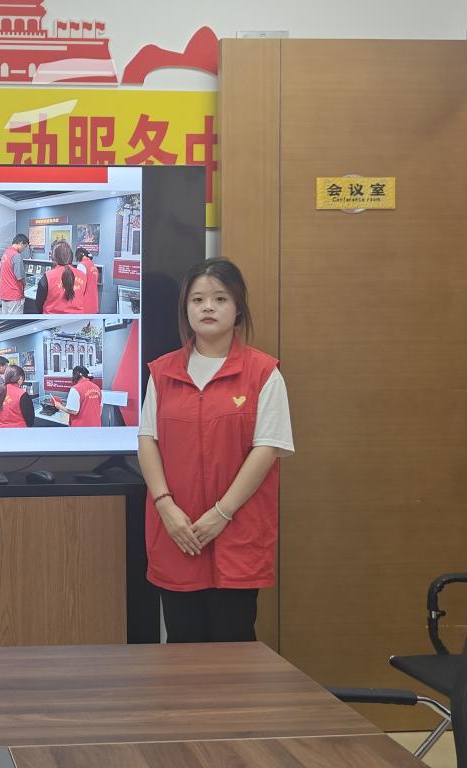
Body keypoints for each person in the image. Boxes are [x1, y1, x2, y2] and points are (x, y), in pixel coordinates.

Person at [136, 258, 294, 644]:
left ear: (238, 308)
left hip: (237, 530)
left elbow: (267, 448)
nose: (208, 307)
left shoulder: (263, 373)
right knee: (183, 643)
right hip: (178, 530)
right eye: (198, 299)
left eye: (220, 299)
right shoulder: (163, 372)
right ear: (186, 309)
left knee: (233, 643)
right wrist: (165, 506)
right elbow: (147, 440)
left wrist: (221, 514)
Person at [36, 240, 86, 314]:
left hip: (51, 319)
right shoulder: (83, 276)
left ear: (54, 258)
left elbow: (39, 303)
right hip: (77, 319)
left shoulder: (48, 276)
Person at [0, 234, 29, 315]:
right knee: (15, 321)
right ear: (21, 243)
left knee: (6, 320)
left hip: (4, 293)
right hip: (14, 295)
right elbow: (20, 277)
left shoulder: (6, 253)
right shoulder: (17, 256)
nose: (24, 249)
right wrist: (25, 283)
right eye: (25, 246)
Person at [75, 247, 100, 314]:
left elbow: (79, 286)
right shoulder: (93, 266)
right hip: (94, 302)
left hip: (85, 303)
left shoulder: (81, 265)